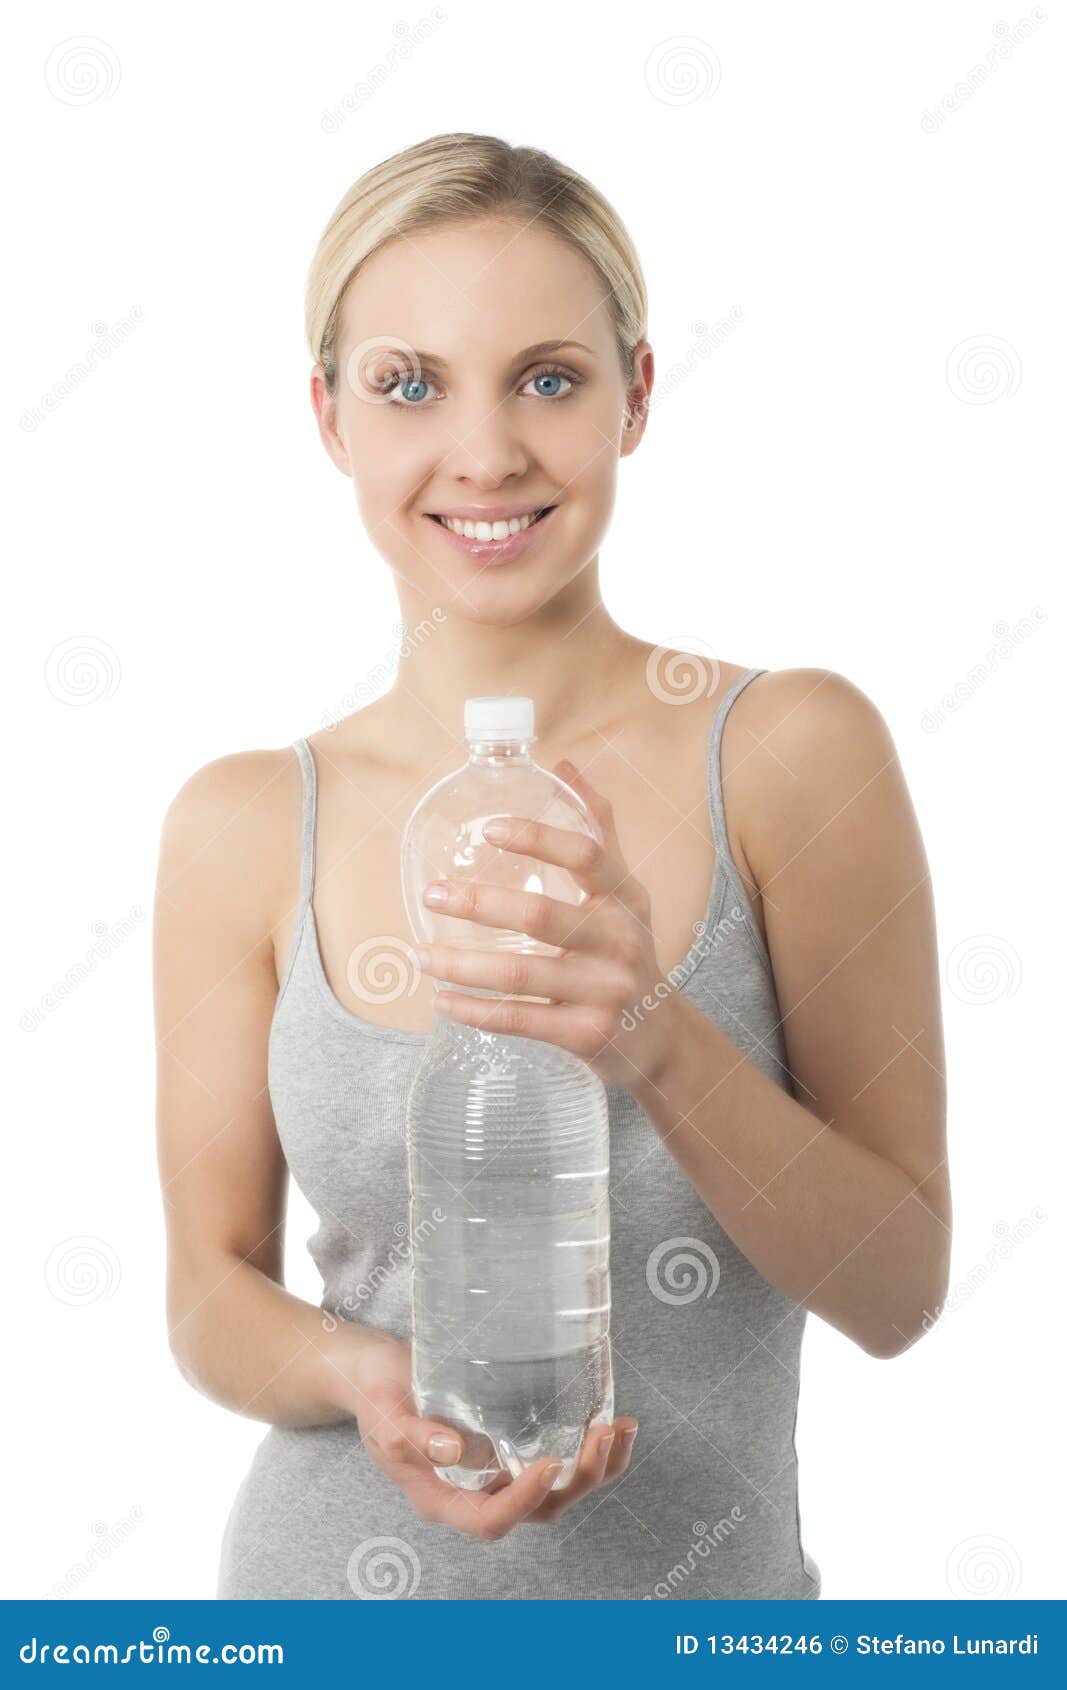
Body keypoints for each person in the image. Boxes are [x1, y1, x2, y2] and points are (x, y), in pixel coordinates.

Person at [153, 132, 951, 1601]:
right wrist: (365, 1370)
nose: (487, 451)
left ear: (636, 395)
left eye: (549, 376)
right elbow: (209, 1291)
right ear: (328, 417)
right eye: (409, 383)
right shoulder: (245, 820)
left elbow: (898, 1288)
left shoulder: (789, 751)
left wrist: (651, 1034)